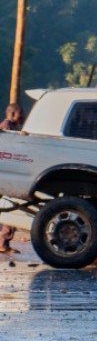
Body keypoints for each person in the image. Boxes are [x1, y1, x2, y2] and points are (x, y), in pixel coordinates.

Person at [0, 104, 25, 252]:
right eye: (21, 113)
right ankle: (3, 242)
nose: (22, 116)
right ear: (13, 114)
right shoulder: (7, 128)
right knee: (11, 205)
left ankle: (4, 243)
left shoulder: (11, 128)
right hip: (6, 173)